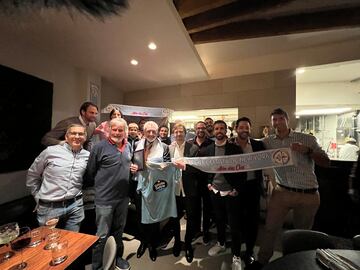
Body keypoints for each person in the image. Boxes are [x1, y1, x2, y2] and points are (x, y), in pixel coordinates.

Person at [251, 108, 330, 270]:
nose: (277, 122)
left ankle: (298, 263)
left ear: (288, 120)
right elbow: (250, 150)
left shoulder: (306, 139)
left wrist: (308, 151)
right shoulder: (268, 141)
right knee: (270, 228)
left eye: (281, 118)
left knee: (302, 234)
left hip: (308, 194)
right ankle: (262, 261)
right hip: (282, 192)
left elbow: (326, 162)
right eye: (274, 120)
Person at [84, 118, 138, 270]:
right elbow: (90, 172)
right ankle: (99, 266)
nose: (117, 132)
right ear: (109, 130)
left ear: (125, 131)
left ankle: (117, 258)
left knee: (119, 231)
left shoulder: (128, 146)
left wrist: (132, 168)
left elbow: (127, 164)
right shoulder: (99, 147)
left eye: (120, 130)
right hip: (104, 199)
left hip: (123, 198)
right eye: (114, 129)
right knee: (102, 236)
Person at [26, 124, 89, 232]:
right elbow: (33, 174)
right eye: (73, 133)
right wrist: (37, 195)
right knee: (48, 243)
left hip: (75, 206)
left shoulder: (87, 155)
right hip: (50, 208)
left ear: (85, 138)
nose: (77, 136)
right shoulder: (50, 151)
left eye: (81, 134)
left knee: (72, 243)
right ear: (66, 137)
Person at [205, 120, 246, 270]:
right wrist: (209, 183)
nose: (219, 130)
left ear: (226, 131)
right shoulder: (209, 149)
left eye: (222, 128)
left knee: (234, 225)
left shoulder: (235, 148)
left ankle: (236, 255)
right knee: (219, 220)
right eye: (216, 128)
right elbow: (205, 167)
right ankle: (221, 243)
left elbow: (243, 171)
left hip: (231, 192)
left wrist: (237, 188)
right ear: (214, 131)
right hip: (215, 191)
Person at [133, 121, 174, 262]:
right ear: (143, 132)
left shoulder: (164, 147)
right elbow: (132, 162)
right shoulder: (135, 145)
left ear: (157, 132)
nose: (151, 134)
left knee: (155, 214)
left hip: (156, 186)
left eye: (153, 131)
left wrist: (163, 167)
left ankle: (153, 244)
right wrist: (133, 167)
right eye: (148, 131)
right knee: (140, 215)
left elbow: (168, 165)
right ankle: (143, 242)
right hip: (139, 185)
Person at [230, 117, 265, 268]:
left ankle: (249, 252)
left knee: (252, 223)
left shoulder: (258, 145)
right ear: (236, 129)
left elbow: (268, 160)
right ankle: (236, 254)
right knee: (235, 223)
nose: (244, 130)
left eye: (247, 127)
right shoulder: (229, 145)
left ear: (250, 129)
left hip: (253, 188)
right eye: (241, 127)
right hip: (235, 189)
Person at [168, 123, 199, 263]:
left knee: (191, 219)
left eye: (181, 131)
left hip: (189, 190)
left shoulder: (193, 148)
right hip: (173, 190)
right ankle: (176, 242)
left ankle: (187, 244)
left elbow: (198, 169)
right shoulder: (169, 148)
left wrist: (185, 167)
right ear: (173, 133)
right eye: (176, 131)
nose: (179, 134)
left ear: (185, 133)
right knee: (174, 218)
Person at [187, 121, 214, 244]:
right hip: (192, 182)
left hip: (207, 181)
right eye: (198, 128)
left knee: (208, 208)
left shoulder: (212, 144)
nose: (201, 130)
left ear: (206, 130)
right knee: (195, 208)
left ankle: (206, 231)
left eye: (203, 128)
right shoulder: (189, 144)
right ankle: (196, 231)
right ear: (194, 129)